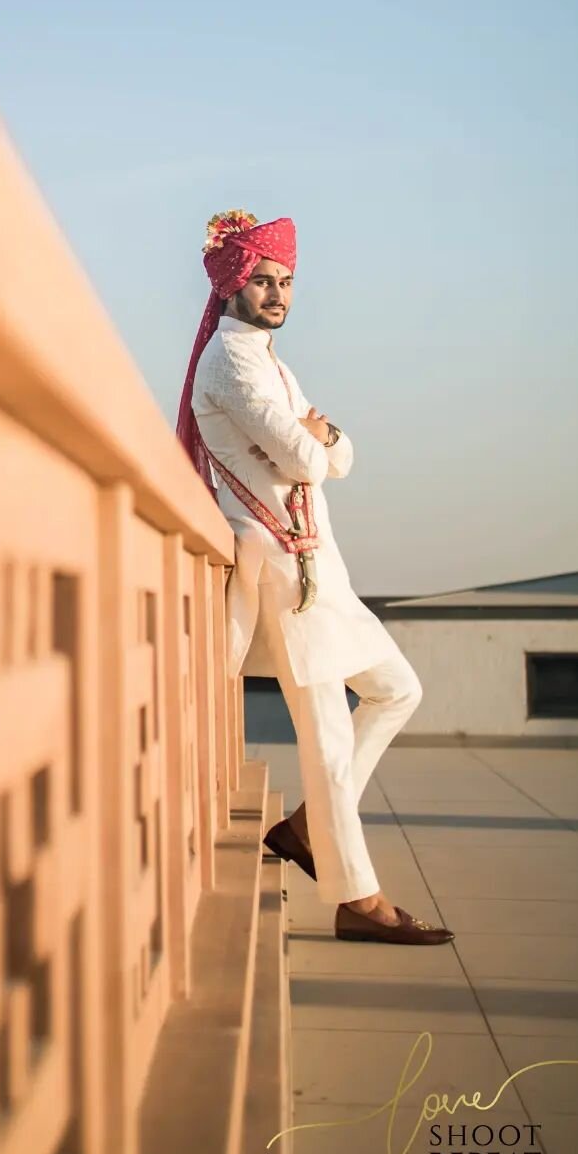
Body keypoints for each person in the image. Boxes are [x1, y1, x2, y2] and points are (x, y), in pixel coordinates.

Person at [175, 209, 453, 946]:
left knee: (398, 690)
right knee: (328, 736)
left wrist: (323, 441)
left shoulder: (269, 361)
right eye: (263, 280)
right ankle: (357, 899)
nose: (277, 293)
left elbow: (339, 453)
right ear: (233, 283)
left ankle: (304, 828)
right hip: (280, 568)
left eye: (287, 281)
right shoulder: (232, 362)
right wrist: (320, 440)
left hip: (315, 568)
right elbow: (307, 459)